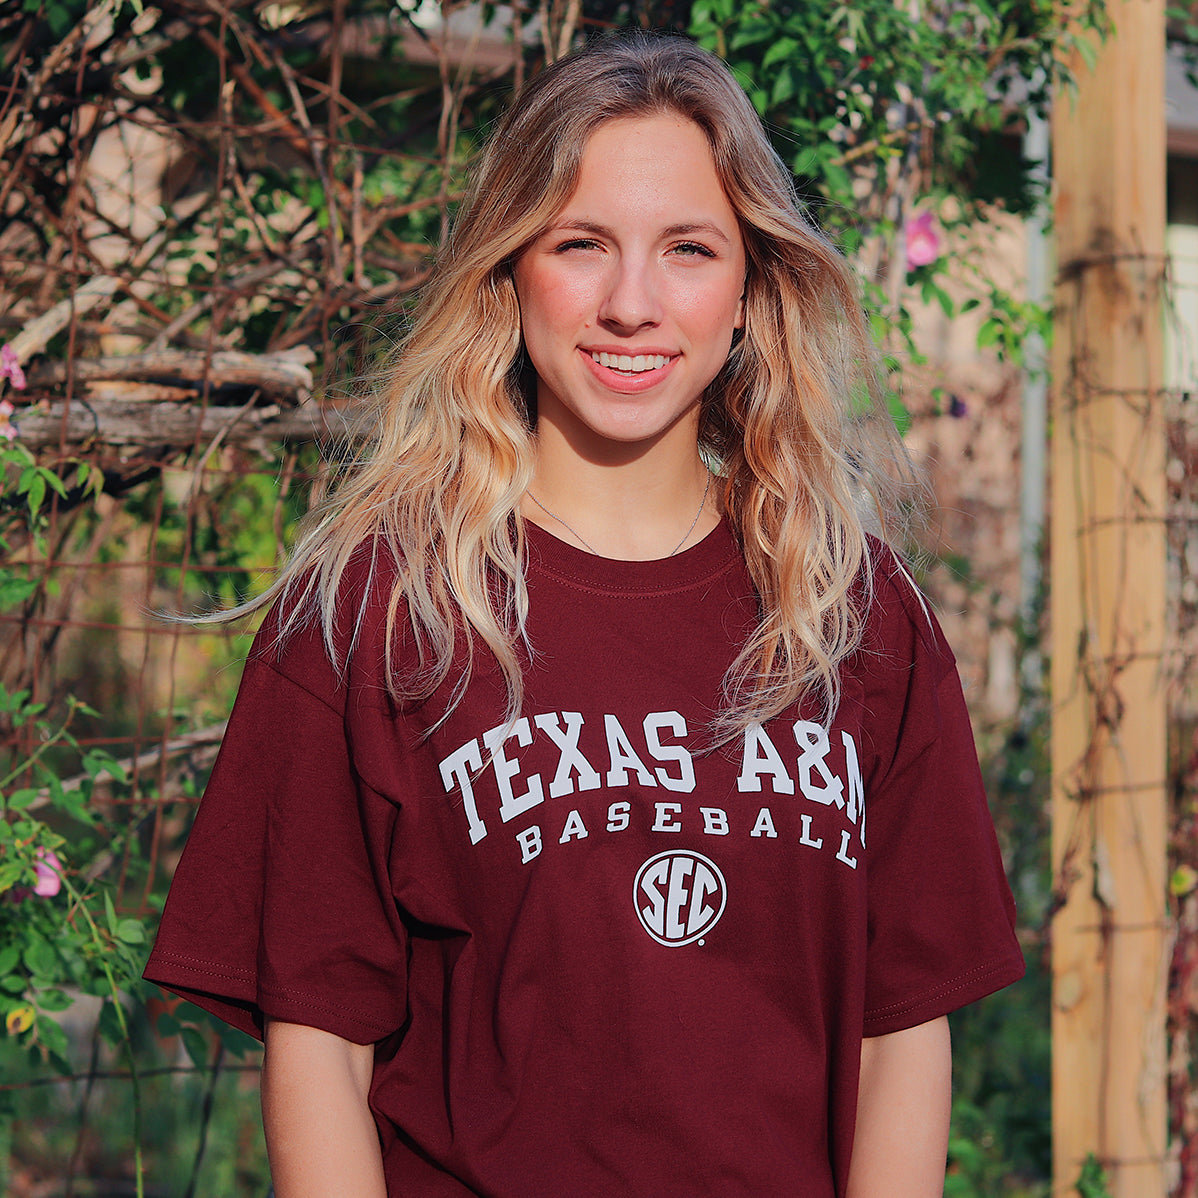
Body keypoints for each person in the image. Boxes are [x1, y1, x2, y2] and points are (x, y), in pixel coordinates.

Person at [144, 31, 1025, 1198]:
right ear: (510, 272)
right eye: (581, 245)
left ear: (751, 287)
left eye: (688, 250)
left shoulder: (855, 615)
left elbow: (901, 1033)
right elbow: (319, 1051)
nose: (630, 304)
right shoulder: (373, 615)